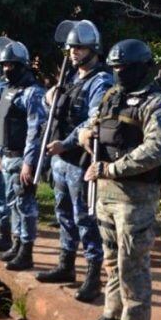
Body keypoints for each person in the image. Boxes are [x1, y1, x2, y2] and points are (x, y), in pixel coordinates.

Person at [78, 38, 161, 320]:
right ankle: (112, 316)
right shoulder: (112, 95)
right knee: (111, 261)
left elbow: (156, 150)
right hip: (106, 193)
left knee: (132, 265)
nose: (121, 74)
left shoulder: (157, 104)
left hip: (135, 199)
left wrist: (112, 168)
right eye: (116, 69)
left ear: (143, 67)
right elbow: (94, 124)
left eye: (127, 69)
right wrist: (84, 133)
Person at [39, 20, 111, 302]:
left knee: (85, 218)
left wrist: (64, 144)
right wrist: (48, 98)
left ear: (93, 48)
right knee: (63, 214)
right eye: (71, 48)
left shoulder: (100, 81)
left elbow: (91, 122)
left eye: (79, 47)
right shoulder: (70, 78)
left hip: (79, 159)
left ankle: (93, 277)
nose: (73, 52)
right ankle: (65, 265)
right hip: (60, 160)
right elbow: (60, 108)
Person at [0, 38, 46, 270]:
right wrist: (0, 153)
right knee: (13, 203)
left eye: (11, 65)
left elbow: (35, 131)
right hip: (8, 156)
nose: (6, 69)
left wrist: (29, 164)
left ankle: (26, 251)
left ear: (23, 65)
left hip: (23, 158)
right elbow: (3, 125)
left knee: (25, 205)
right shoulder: (7, 89)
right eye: (4, 65)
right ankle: (16, 244)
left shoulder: (32, 93)